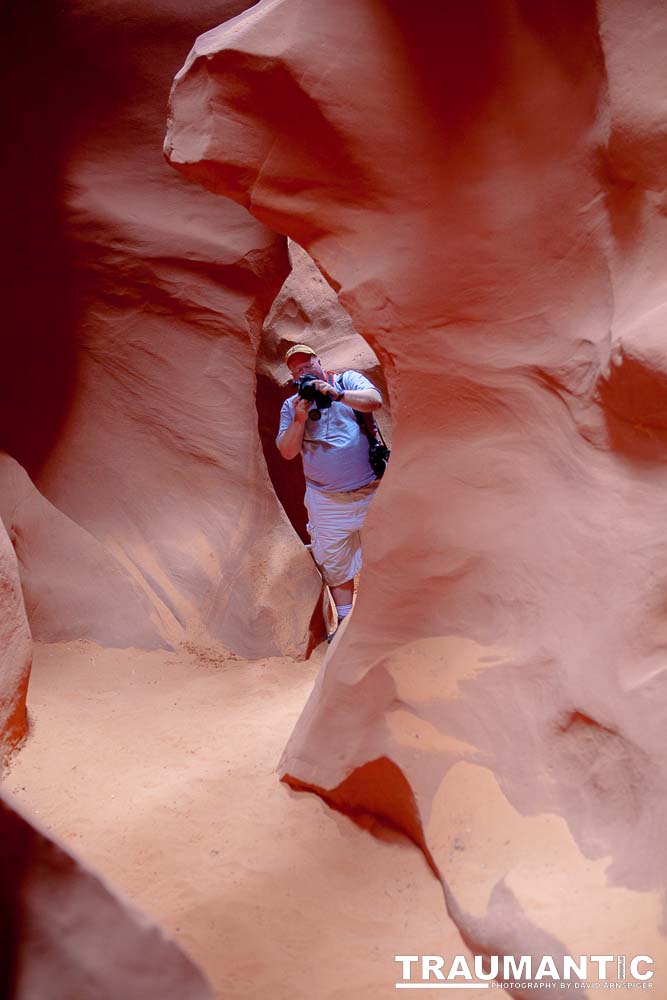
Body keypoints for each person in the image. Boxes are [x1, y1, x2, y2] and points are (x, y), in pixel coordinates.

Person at [276, 344, 383, 638]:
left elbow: (374, 400)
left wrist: (336, 395)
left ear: (319, 361)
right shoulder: (292, 405)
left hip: (372, 492)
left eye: (307, 364)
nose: (304, 371)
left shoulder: (346, 381)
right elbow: (286, 452)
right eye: (297, 370)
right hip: (327, 501)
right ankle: (346, 625)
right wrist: (299, 419)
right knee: (334, 561)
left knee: (386, 552)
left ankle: (385, 620)